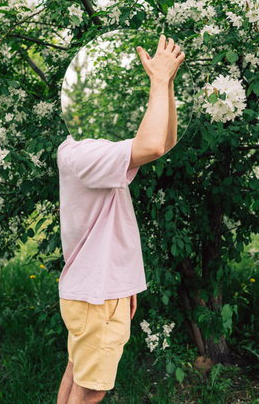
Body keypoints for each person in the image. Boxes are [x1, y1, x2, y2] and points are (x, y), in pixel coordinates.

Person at [56, 33, 185, 404]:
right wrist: (157, 81)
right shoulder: (82, 154)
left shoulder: (89, 149)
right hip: (97, 295)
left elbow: (165, 141)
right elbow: (152, 146)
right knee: (92, 390)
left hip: (101, 289)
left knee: (76, 373)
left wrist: (167, 85)